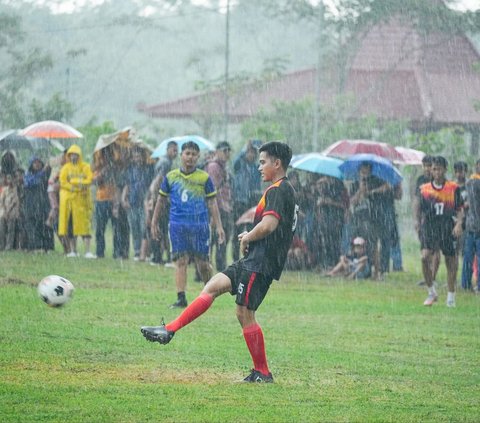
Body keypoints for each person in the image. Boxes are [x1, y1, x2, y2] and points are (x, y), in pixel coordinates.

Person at [141, 141, 298, 383]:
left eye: (263, 162)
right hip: (253, 259)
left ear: (277, 164)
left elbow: (269, 225)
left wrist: (248, 235)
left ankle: (263, 372)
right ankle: (169, 329)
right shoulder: (282, 189)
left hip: (261, 262)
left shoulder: (278, 190)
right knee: (213, 285)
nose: (259, 168)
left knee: (244, 312)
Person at [150, 141, 225, 308]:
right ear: (181, 156)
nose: (190, 157)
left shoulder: (204, 178)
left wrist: (219, 226)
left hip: (200, 226)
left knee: (203, 263)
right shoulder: (170, 177)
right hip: (177, 225)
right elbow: (160, 200)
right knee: (180, 261)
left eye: (193, 154)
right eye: (187, 153)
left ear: (198, 157)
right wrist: (154, 222)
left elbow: (213, 203)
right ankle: (181, 298)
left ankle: (209, 293)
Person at [417, 156, 463, 307]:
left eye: (439, 169)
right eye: (434, 169)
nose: (436, 172)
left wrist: (459, 224)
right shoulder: (424, 189)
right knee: (424, 258)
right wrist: (417, 222)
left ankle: (451, 297)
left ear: (445, 170)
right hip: (430, 228)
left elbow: (460, 209)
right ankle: (432, 292)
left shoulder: (453, 188)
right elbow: (418, 206)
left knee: (451, 262)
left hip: (447, 227)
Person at [58, 144, 95, 258]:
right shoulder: (65, 168)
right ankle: (73, 250)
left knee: (85, 227)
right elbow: (63, 182)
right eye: (71, 155)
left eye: (75, 155)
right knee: (71, 228)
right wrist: (75, 185)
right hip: (70, 204)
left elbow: (89, 179)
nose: (73, 157)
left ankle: (88, 251)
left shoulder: (85, 167)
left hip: (82, 203)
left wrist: (74, 181)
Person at [204, 141, 234, 271]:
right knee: (211, 240)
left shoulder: (224, 167)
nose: (227, 153)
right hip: (216, 208)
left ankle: (221, 268)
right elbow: (212, 192)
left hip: (225, 207)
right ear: (217, 151)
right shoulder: (213, 167)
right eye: (224, 150)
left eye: (228, 151)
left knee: (223, 239)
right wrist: (213, 214)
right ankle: (205, 269)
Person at [232, 139, 263, 261]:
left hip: (252, 202)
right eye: (249, 152)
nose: (251, 155)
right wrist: (246, 146)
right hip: (239, 202)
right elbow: (235, 161)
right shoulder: (240, 165)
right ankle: (235, 258)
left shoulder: (257, 169)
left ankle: (251, 257)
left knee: (252, 231)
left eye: (253, 153)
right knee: (237, 231)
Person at [121, 146, 154, 261]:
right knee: (134, 227)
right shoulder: (130, 169)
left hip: (144, 203)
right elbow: (127, 185)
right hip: (132, 202)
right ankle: (137, 251)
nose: (137, 158)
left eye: (139, 156)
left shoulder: (149, 169)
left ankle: (147, 253)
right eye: (135, 156)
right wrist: (123, 199)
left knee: (144, 227)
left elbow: (151, 185)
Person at [148, 140, 178, 265]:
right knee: (162, 229)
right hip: (161, 200)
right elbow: (158, 180)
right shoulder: (165, 163)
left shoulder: (165, 161)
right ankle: (158, 256)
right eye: (174, 150)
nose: (175, 153)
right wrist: (157, 198)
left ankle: (158, 256)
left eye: (177, 151)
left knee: (160, 228)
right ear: (168, 149)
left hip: (160, 199)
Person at [414, 155, 440, 286]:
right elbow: (417, 201)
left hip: (438, 218)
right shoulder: (420, 180)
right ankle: (428, 277)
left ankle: (433, 278)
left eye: (430, 166)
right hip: (425, 219)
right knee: (425, 249)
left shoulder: (439, 181)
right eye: (425, 166)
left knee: (436, 249)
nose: (427, 169)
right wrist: (416, 219)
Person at [23, 157, 54, 252]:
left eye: (39, 162)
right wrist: (42, 173)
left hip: (43, 203)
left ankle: (47, 246)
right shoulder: (28, 175)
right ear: (31, 165)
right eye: (35, 163)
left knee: (45, 224)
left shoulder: (47, 174)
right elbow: (30, 182)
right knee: (32, 225)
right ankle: (35, 246)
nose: (37, 164)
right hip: (31, 204)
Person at [461, 159, 480, 291]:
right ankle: (467, 284)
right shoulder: (472, 182)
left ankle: (467, 284)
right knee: (468, 257)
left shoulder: (469, 183)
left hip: (472, 225)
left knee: (469, 258)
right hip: (472, 226)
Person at [0, 174, 20, 250]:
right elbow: (1, 201)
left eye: (11, 179)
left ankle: (9, 246)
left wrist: (9, 210)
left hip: (13, 212)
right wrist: (5, 210)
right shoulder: (4, 189)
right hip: (3, 212)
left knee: (11, 230)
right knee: (2, 229)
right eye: (8, 179)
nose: (10, 181)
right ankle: (2, 245)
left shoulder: (16, 189)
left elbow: (15, 201)